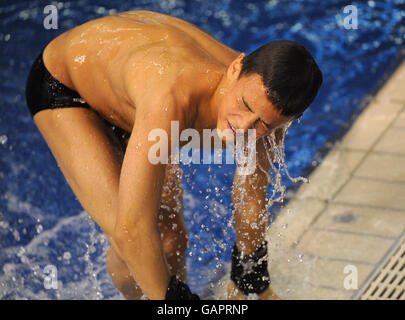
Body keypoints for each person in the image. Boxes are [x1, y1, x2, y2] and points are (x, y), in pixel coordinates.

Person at [25, 10, 322, 300]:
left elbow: (251, 197)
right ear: (235, 69)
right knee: (131, 244)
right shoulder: (173, 101)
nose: (244, 126)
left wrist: (250, 280)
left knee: (170, 239)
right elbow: (132, 231)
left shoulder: (271, 108)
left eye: (263, 124)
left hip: (132, 91)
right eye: (244, 105)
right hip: (67, 86)